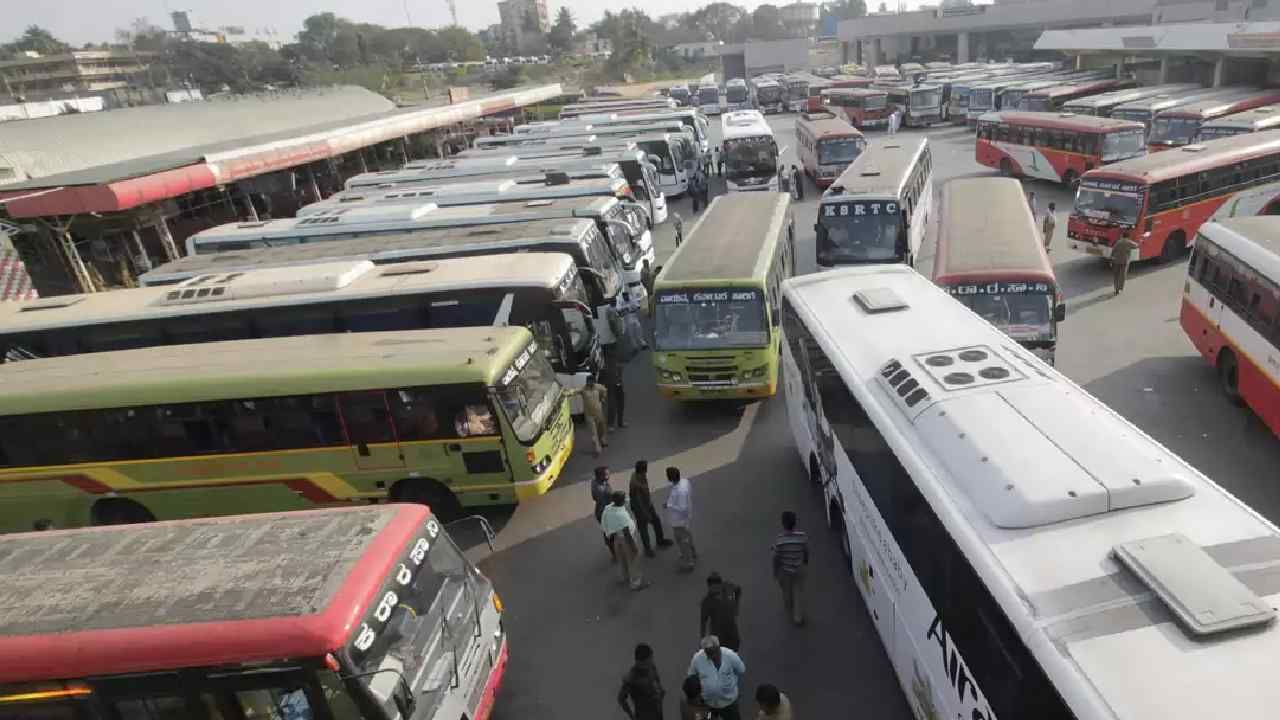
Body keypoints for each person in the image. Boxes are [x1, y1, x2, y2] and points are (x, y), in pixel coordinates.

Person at [687, 636, 746, 720]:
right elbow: (691, 676)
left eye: (714, 652)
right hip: (709, 706)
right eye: (709, 653)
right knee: (709, 718)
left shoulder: (730, 655)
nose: (712, 656)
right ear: (705, 651)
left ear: (718, 648)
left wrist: (732, 683)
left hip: (729, 703)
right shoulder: (697, 658)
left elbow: (741, 669)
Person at [602, 490, 648, 590]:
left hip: (616, 539)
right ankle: (636, 583)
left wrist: (610, 534)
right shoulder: (621, 516)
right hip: (626, 539)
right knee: (633, 560)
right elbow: (626, 533)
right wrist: (634, 547)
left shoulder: (608, 508)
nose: (625, 500)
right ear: (620, 501)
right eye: (624, 498)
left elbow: (604, 523)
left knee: (622, 559)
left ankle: (624, 577)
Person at [771, 511, 809, 626]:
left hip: (784, 570)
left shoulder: (780, 540)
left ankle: (789, 607)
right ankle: (798, 618)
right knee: (798, 592)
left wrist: (775, 571)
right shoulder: (802, 536)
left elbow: (775, 557)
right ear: (795, 523)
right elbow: (806, 551)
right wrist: (805, 561)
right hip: (798, 569)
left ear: (783, 524)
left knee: (786, 591)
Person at [630, 460, 672, 556]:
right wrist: (646, 514)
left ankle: (660, 540)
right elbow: (638, 502)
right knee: (643, 528)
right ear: (643, 470)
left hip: (648, 505)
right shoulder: (635, 484)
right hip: (641, 510)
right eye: (646, 469)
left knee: (656, 521)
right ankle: (647, 549)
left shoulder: (639, 475)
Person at [619, 644, 666, 720]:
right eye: (649, 659)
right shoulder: (632, 676)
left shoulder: (652, 669)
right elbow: (621, 698)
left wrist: (660, 693)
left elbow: (658, 687)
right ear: (640, 661)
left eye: (651, 659)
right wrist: (631, 716)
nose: (651, 661)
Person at [700, 572, 744, 652]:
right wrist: (704, 641)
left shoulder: (728, 590)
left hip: (732, 633)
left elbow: (738, 590)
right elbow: (703, 622)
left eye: (717, 586)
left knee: (732, 653)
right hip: (719, 636)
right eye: (712, 587)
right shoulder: (707, 602)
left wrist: (736, 604)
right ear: (709, 587)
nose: (715, 589)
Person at [665, 466, 697, 571]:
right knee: (687, 534)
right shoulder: (685, 482)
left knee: (682, 540)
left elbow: (682, 508)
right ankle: (692, 552)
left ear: (670, 478)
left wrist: (669, 505)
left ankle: (689, 562)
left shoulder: (679, 491)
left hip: (679, 520)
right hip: (686, 517)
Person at [571, 378, 610, 456]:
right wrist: (566, 393)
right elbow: (574, 391)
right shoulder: (583, 390)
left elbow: (604, 390)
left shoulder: (598, 387)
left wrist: (603, 398)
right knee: (594, 432)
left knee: (601, 429)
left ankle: (602, 440)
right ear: (587, 382)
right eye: (589, 382)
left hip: (599, 414)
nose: (590, 383)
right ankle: (597, 447)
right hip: (589, 415)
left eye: (591, 381)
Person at [591, 465, 616, 560]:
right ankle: (614, 553)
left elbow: (594, 497)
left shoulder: (595, 482)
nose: (608, 475)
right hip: (604, 514)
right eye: (606, 474)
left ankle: (614, 552)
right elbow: (609, 500)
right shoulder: (601, 490)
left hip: (601, 511)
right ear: (600, 476)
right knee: (610, 534)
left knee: (609, 533)